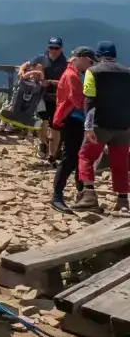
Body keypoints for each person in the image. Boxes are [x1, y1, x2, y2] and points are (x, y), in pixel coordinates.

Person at [75, 42, 130, 213]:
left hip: (99, 125)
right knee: (121, 163)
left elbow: (90, 100)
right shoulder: (128, 72)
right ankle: (123, 201)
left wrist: (88, 126)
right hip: (123, 126)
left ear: (98, 55)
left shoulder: (92, 72)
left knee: (85, 156)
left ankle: (89, 194)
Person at [53, 47, 97, 213]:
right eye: (90, 62)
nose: (91, 66)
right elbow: (78, 101)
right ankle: (57, 196)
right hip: (71, 120)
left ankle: (82, 195)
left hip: (74, 120)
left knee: (78, 156)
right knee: (70, 158)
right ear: (81, 58)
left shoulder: (74, 73)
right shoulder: (72, 76)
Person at [32, 37, 68, 162]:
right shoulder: (40, 58)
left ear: (61, 48)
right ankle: (42, 144)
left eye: (56, 48)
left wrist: (51, 82)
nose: (53, 50)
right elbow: (27, 66)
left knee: (55, 126)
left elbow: (67, 83)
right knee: (40, 123)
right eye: (51, 47)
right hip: (41, 97)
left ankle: (52, 154)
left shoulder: (65, 64)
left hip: (57, 99)